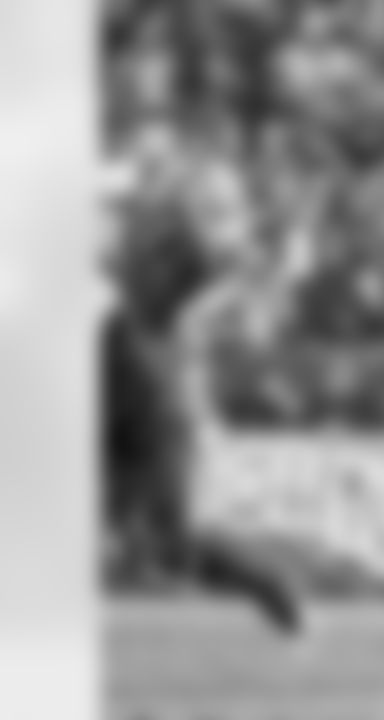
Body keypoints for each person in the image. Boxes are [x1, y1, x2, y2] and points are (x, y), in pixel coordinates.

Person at [103, 141, 305, 636]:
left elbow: (231, 290)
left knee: (165, 543)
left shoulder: (199, 243)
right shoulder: (157, 225)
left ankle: (269, 583)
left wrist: (269, 265)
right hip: (120, 370)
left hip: (151, 384)